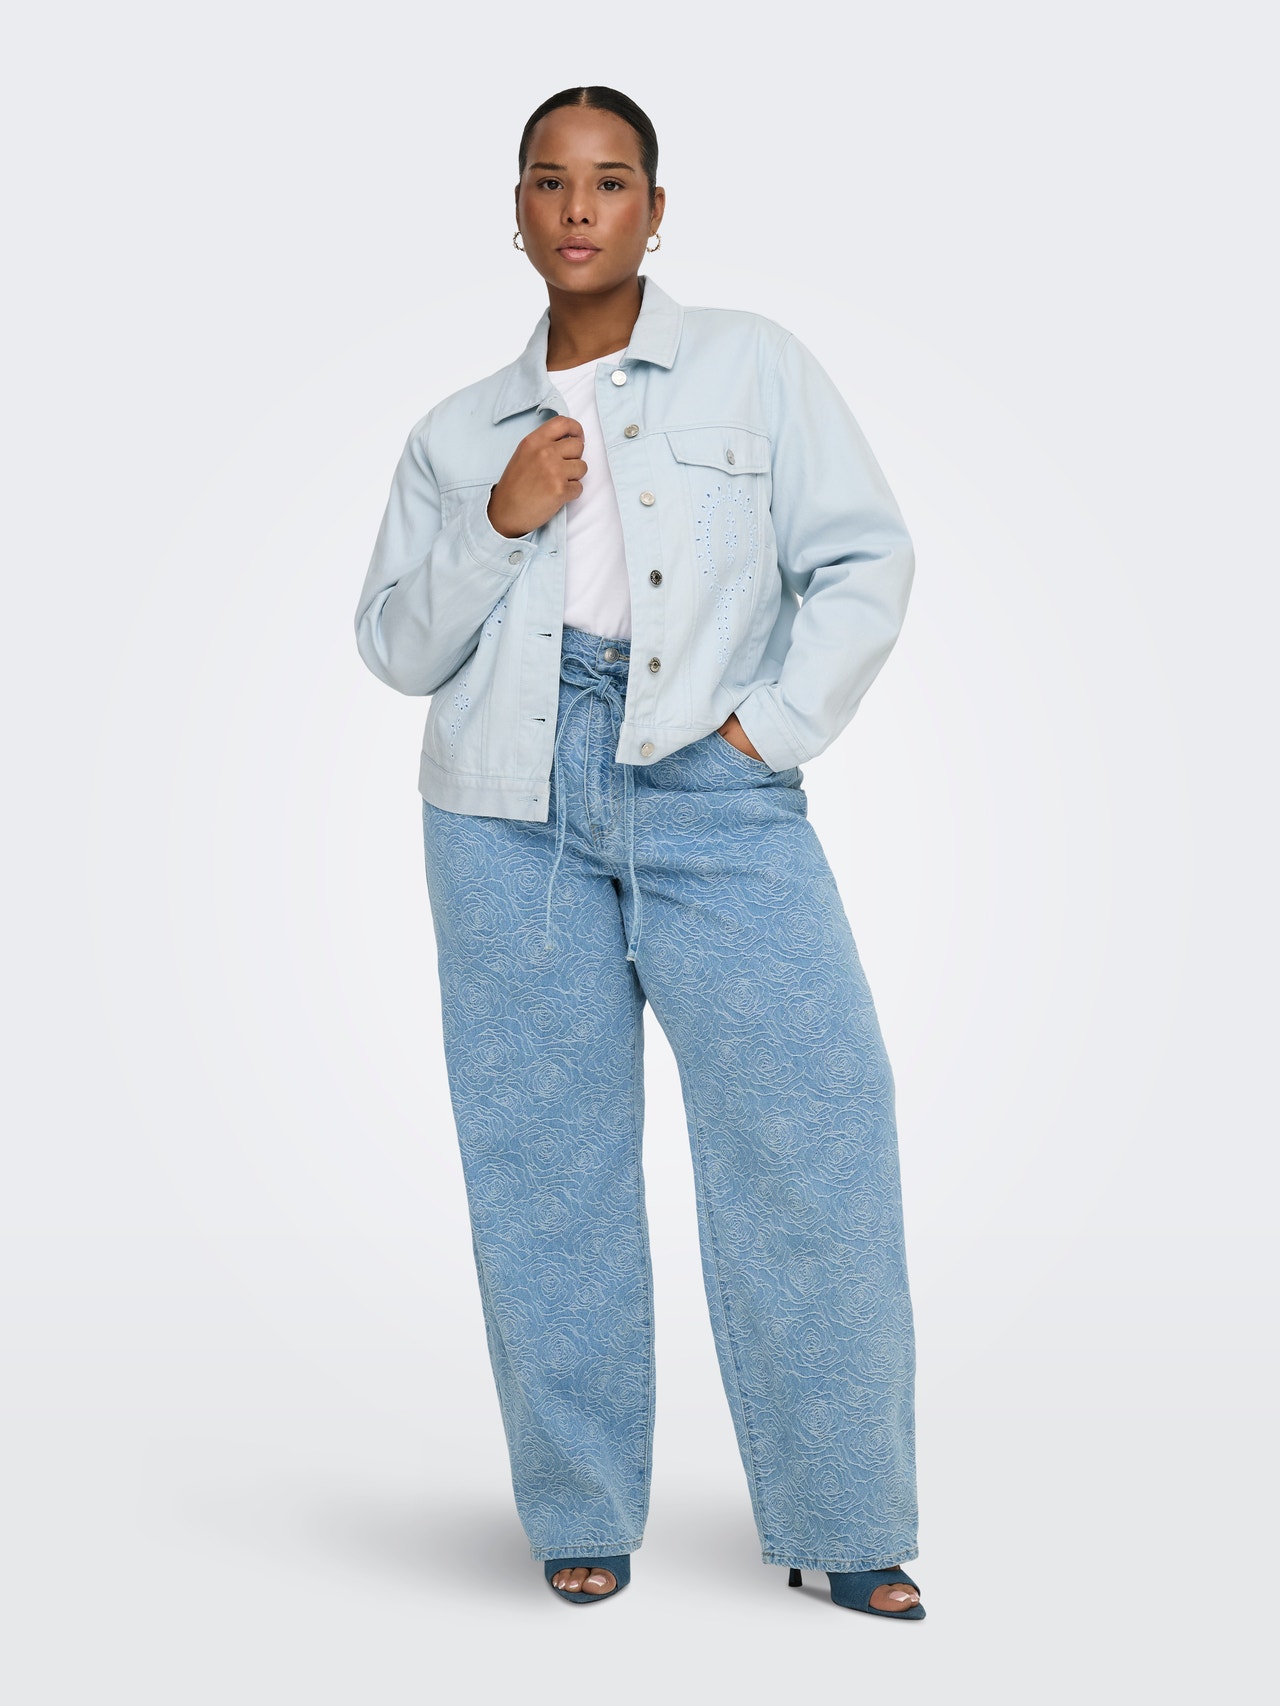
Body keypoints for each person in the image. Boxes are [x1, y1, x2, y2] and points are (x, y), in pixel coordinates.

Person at [354, 85, 924, 1619]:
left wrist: (765, 732)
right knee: (546, 1168)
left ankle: (846, 1517)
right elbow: (396, 646)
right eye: (551, 181)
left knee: (816, 1130)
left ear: (656, 211)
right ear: (518, 212)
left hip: (711, 791)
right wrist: (497, 517)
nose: (580, 207)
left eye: (612, 181)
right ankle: (579, 1504)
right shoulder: (456, 432)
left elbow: (865, 557)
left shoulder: (754, 364)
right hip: (503, 806)